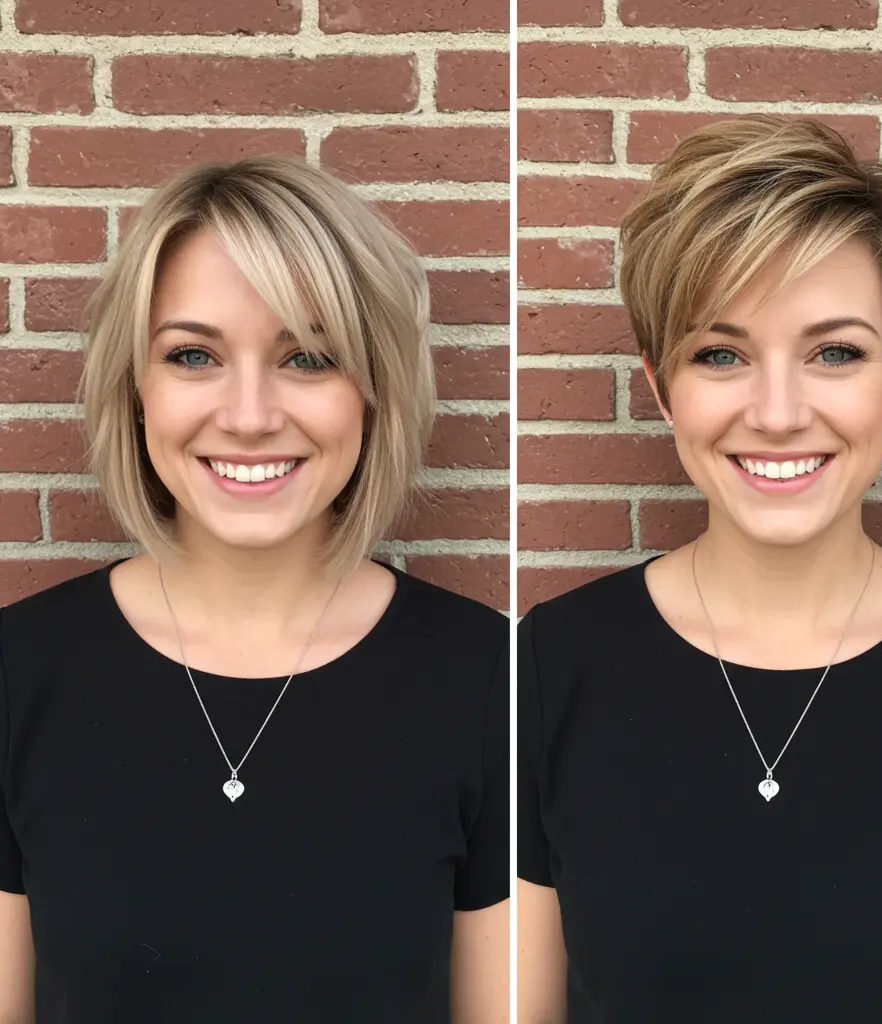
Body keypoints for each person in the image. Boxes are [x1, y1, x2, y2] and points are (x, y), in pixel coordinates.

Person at [518, 115, 882, 1023]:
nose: (779, 412)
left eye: (835, 352)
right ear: (662, 385)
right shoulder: (547, 669)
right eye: (721, 354)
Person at [0, 155, 509, 1024]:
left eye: (307, 358)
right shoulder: (17, 671)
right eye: (193, 355)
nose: (247, 415)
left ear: (373, 391)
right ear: (136, 389)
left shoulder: (493, 681)